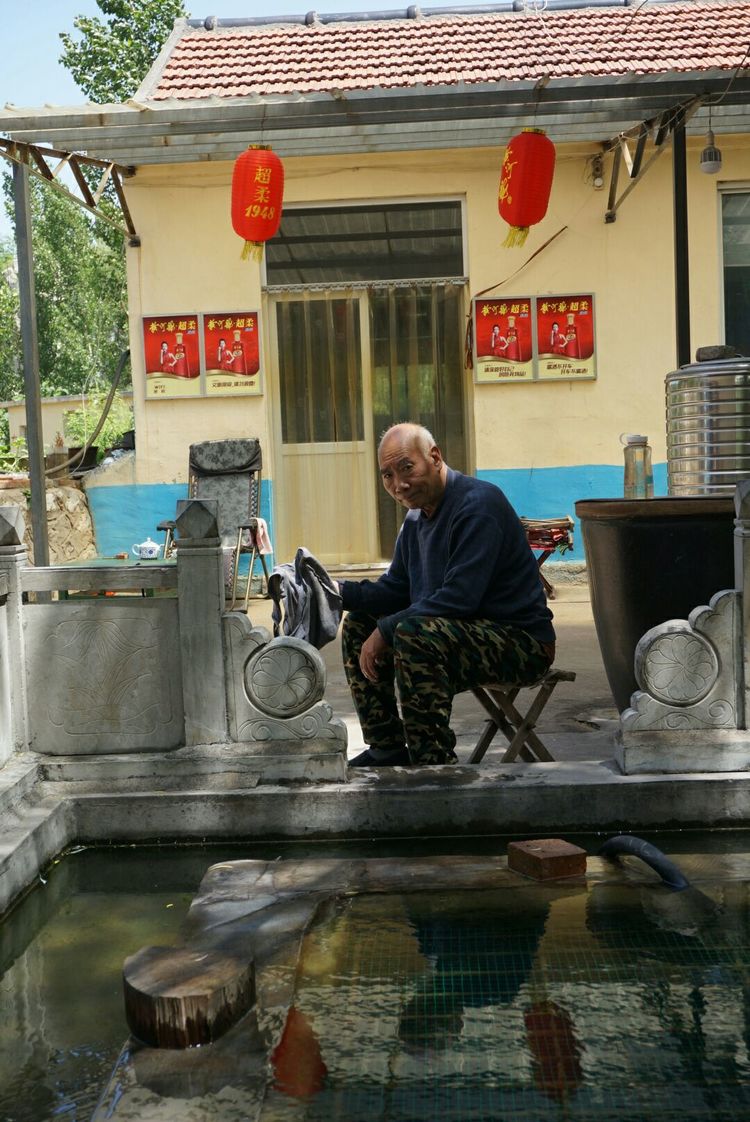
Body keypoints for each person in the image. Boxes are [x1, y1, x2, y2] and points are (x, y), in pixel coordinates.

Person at [339, 422, 555, 767]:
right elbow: (395, 589)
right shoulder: (415, 519)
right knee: (360, 625)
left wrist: (387, 630)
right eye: (387, 476)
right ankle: (387, 747)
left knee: (412, 634)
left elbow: (459, 598)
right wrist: (334, 593)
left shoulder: (478, 504)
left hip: (521, 642)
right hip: (460, 633)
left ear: (435, 458)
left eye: (407, 468)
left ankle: (433, 764)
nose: (399, 485)